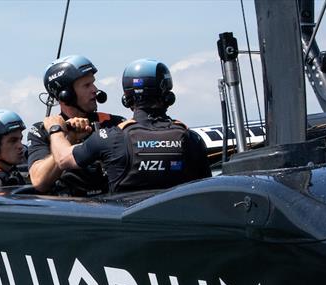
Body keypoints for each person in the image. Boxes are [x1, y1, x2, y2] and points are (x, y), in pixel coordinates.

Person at [42, 59, 211, 193]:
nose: (94, 89)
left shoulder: (109, 137)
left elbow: (63, 159)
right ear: (168, 96)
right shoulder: (192, 139)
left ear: (126, 97)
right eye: (87, 85)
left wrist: (55, 129)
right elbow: (205, 189)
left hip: (129, 232)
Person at [27, 54, 125, 196]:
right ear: (66, 95)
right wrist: (66, 137)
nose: (95, 90)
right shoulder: (43, 130)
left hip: (110, 207)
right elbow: (39, 181)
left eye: (93, 83)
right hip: (69, 211)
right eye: (86, 85)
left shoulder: (113, 123)